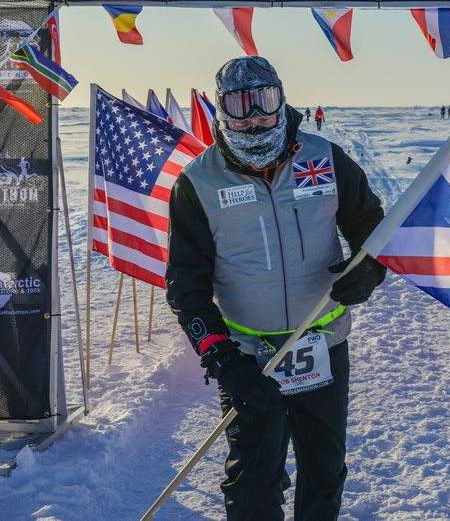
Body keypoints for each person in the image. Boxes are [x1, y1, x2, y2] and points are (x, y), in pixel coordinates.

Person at [166, 56, 387, 521]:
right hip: (250, 357)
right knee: (253, 481)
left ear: (281, 96)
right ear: (220, 109)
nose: (254, 117)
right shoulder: (198, 183)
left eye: (263, 100)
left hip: (322, 345)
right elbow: (186, 286)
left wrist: (371, 269)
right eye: (239, 104)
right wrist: (223, 360)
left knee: (324, 472)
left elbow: (371, 224)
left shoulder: (324, 159)